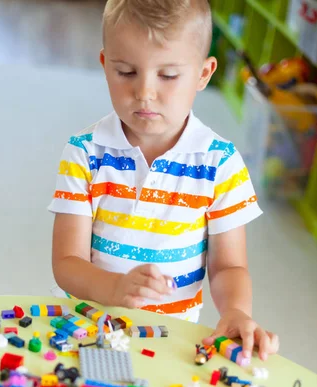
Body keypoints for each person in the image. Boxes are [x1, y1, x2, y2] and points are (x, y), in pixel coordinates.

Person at [48, 0, 279, 361]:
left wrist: (236, 312)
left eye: (168, 75)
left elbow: (229, 266)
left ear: (203, 74)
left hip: (172, 340)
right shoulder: (85, 153)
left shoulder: (220, 164)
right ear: (106, 64)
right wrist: (116, 289)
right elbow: (66, 262)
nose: (145, 92)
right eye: (126, 72)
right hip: (86, 329)